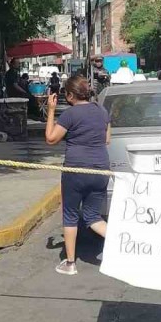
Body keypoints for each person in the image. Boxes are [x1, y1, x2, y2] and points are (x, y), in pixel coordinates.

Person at [45, 75, 110, 276]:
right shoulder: (101, 110)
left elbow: (50, 138)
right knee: (92, 216)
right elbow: (107, 139)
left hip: (75, 170)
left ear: (71, 95)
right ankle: (123, 245)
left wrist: (51, 110)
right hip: (100, 168)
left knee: (71, 215)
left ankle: (71, 263)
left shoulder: (70, 114)